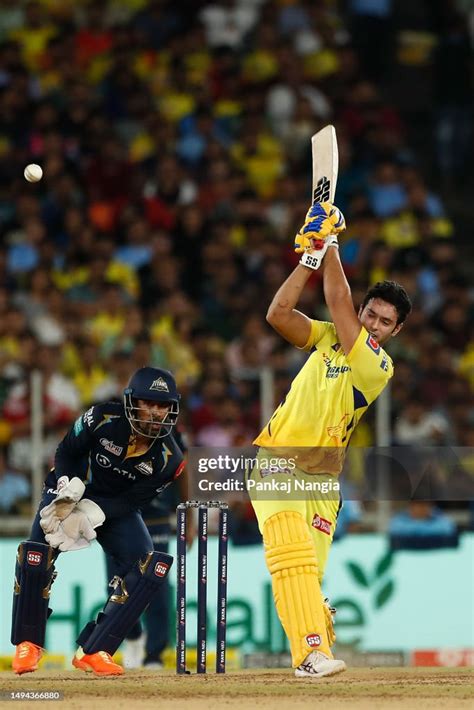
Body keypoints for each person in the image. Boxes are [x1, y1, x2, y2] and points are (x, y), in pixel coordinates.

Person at [248, 201, 411, 678]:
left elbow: (339, 304)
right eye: (371, 314)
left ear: (395, 332)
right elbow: (278, 313)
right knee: (291, 558)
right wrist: (309, 258)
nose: (374, 325)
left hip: (324, 481)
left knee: (307, 576)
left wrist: (331, 242)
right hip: (277, 462)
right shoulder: (325, 338)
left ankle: (313, 641)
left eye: (385, 322)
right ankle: (310, 654)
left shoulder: (376, 364)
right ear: (365, 310)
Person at [11, 367, 185, 677]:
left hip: (113, 506)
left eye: (163, 406)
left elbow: (134, 501)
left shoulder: (170, 458)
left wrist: (94, 512)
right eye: (149, 403)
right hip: (68, 491)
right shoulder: (101, 418)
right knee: (37, 552)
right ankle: (28, 643)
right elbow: (66, 451)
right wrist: (67, 486)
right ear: (132, 402)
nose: (156, 412)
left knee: (147, 567)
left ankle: (95, 650)